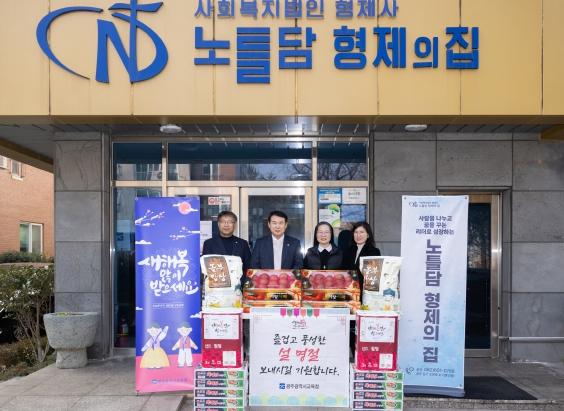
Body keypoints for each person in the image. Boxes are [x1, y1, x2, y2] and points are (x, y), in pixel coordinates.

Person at [202, 211, 252, 276]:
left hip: (239, 282)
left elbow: (248, 267)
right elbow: (206, 267)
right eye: (223, 222)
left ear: (235, 224)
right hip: (217, 281)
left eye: (230, 222)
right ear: (218, 224)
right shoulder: (209, 244)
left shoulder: (243, 244)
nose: (226, 225)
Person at [343, 222, 381, 291]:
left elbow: (372, 275)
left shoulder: (374, 251)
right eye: (356, 232)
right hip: (348, 290)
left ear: (368, 235)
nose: (358, 235)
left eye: (362, 232)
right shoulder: (348, 250)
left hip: (365, 291)